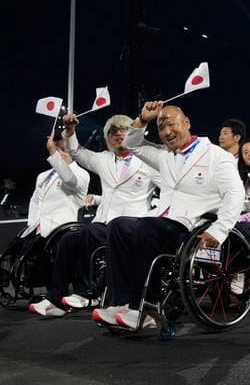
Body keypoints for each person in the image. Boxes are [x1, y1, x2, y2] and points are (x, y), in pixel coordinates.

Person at [92, 103, 245, 329]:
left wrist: (220, 229)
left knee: (146, 228)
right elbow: (132, 142)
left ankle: (147, 308)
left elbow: (235, 193)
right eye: (161, 127)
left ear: (187, 122)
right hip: (164, 219)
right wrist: (143, 120)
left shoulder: (215, 155)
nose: (166, 132)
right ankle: (120, 302)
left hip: (192, 226)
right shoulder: (165, 155)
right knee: (118, 226)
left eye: (171, 124)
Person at [29, 114, 159, 317]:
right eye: (112, 131)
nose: (117, 134)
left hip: (131, 225)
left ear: (132, 133)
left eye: (123, 130)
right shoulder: (103, 160)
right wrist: (70, 131)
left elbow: (167, 189)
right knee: (69, 239)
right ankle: (54, 298)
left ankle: (88, 292)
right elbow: (77, 151)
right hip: (103, 222)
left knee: (91, 230)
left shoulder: (147, 163)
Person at [4, 133, 89, 312]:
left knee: (52, 246)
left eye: (63, 150)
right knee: (15, 247)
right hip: (41, 226)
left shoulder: (81, 174)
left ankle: (56, 296)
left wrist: (53, 153)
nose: (60, 154)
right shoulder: (43, 176)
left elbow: (69, 180)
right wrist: (33, 223)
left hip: (64, 227)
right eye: (57, 149)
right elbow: (36, 200)